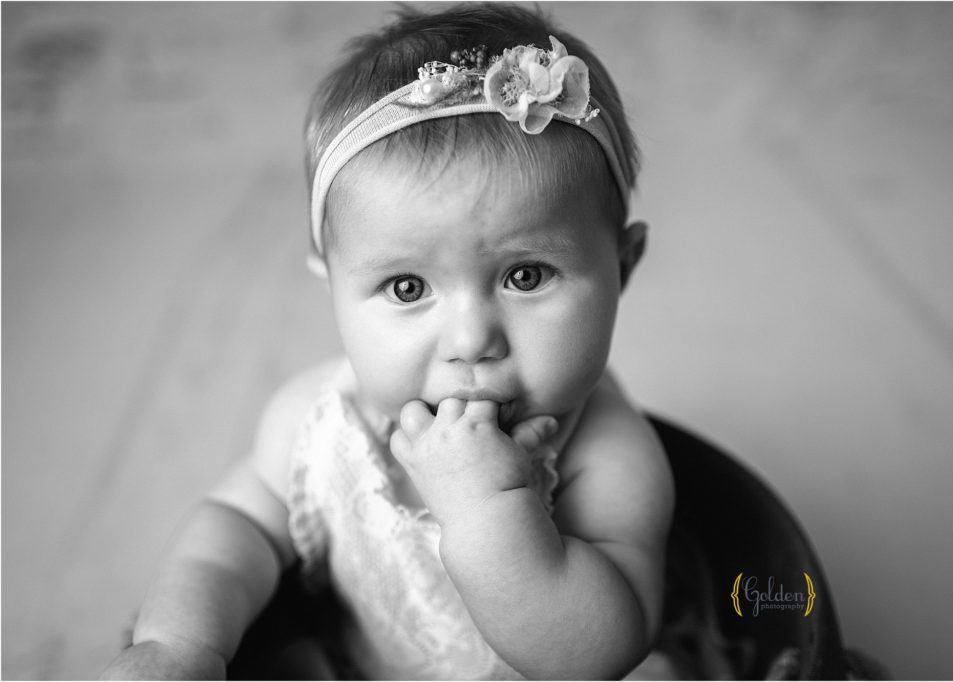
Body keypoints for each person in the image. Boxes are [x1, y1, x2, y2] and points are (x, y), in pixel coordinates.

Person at [101, 4, 675, 679]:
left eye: (526, 275)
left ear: (623, 267)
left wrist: (490, 513)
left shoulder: (605, 455)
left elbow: (598, 652)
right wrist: (179, 643)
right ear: (334, 290)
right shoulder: (318, 421)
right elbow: (236, 535)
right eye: (407, 288)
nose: (470, 341)